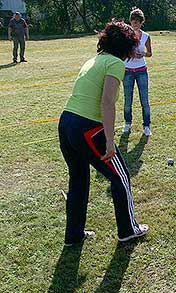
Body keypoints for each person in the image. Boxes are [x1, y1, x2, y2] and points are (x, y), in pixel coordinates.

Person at [58, 20, 149, 246]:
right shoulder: (115, 63)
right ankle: (128, 230)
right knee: (121, 177)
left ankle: (73, 235)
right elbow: (107, 102)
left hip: (66, 123)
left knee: (78, 180)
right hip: (87, 127)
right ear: (126, 46)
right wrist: (110, 140)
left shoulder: (94, 59)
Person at [122, 7, 153, 136]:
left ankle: (146, 125)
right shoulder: (125, 35)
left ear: (141, 22)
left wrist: (143, 54)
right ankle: (127, 123)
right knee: (127, 100)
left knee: (144, 100)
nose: (135, 23)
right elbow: (121, 52)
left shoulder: (146, 36)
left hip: (141, 71)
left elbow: (150, 53)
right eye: (133, 21)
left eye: (138, 21)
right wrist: (130, 54)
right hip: (127, 71)